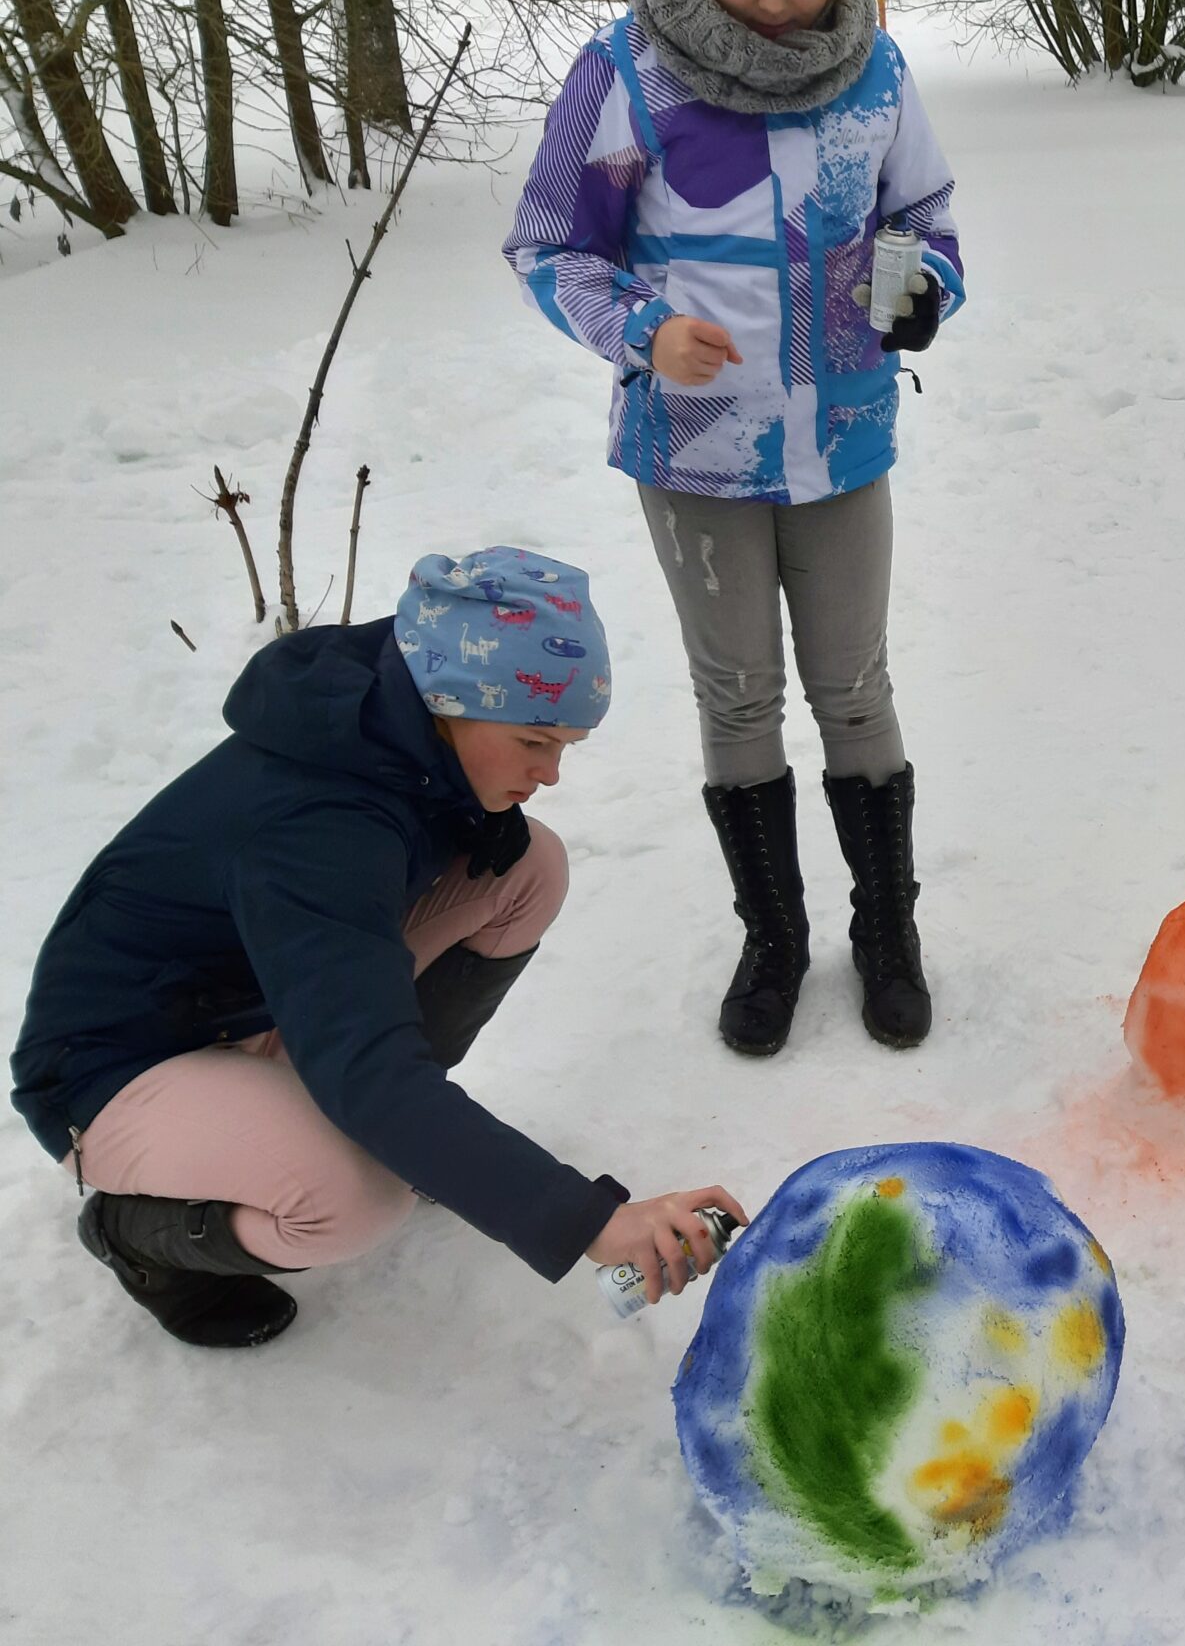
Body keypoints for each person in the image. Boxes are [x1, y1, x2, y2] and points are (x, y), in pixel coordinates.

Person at [505, 0, 963, 1057]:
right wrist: (640, 330)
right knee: (739, 697)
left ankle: (888, 930)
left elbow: (923, 218)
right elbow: (551, 244)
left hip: (841, 440)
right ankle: (775, 937)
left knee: (855, 688)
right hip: (695, 450)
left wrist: (923, 290)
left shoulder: (875, 73)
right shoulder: (625, 75)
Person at [9, 550, 745, 1349]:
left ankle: (409, 1133)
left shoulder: (393, 724)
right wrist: (589, 1222)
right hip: (115, 1070)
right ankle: (133, 1238)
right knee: (357, 1198)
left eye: (566, 745)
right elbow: (366, 1068)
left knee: (527, 867)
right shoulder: (319, 828)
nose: (551, 772)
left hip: (254, 997)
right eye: (535, 740)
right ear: (450, 703)